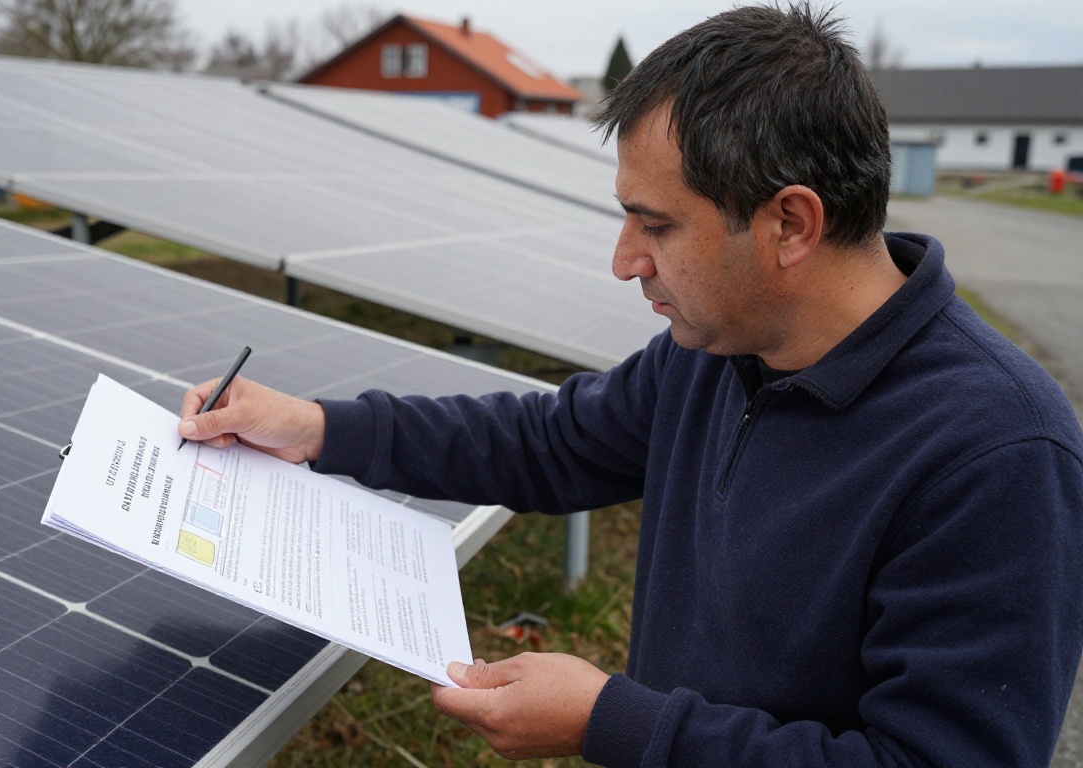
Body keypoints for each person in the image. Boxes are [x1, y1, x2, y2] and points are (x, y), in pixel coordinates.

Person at [179, 3, 1083, 765]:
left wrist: (610, 719)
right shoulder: (719, 353)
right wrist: (316, 428)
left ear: (791, 224)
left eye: (655, 224)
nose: (624, 262)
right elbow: (549, 442)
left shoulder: (997, 455)